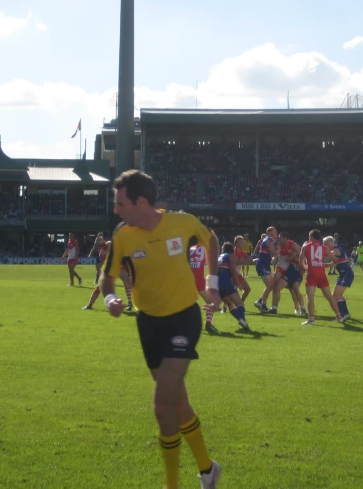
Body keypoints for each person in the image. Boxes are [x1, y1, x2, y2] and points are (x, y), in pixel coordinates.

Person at [100, 170, 222, 489]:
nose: (117, 210)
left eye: (121, 203)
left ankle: (172, 485)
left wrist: (212, 285)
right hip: (148, 323)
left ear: (141, 202)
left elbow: (211, 239)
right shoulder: (123, 235)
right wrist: (110, 297)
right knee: (177, 404)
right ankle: (208, 470)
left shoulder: (182, 222)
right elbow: (107, 277)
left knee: (161, 404)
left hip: (183, 318)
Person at [299, 229, 343, 326]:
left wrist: (306, 267)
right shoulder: (324, 248)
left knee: (310, 297)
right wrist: (326, 264)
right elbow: (335, 260)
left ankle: (311, 319)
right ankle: (339, 316)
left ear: (311, 237)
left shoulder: (306, 246)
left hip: (312, 275)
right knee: (329, 297)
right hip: (321, 275)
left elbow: (301, 261)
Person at [83, 241, 133, 311]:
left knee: (127, 281)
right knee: (99, 287)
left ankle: (130, 303)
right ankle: (90, 305)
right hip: (110, 269)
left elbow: (112, 246)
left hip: (119, 266)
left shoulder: (108, 244)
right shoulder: (101, 255)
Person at [216, 242, 251, 332]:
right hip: (224, 281)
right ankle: (242, 320)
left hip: (216, 282)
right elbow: (233, 270)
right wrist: (237, 282)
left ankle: (243, 323)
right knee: (239, 303)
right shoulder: (231, 256)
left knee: (229, 304)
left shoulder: (219, 257)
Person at [267, 232, 302, 314]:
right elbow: (277, 254)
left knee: (292, 289)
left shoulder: (292, 244)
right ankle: (274, 307)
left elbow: (300, 251)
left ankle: (297, 307)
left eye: (280, 237)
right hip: (282, 264)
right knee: (275, 286)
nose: (279, 239)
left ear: (286, 238)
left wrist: (294, 254)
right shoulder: (278, 245)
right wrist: (276, 255)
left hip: (291, 266)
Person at [189, 243, 219, 334]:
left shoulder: (190, 248)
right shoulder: (205, 248)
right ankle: (208, 324)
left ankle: (187, 324)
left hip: (187, 278)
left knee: (186, 303)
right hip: (198, 279)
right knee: (211, 302)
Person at [325, 236, 353, 320]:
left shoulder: (335, 250)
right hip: (343, 274)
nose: (323, 246)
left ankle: (342, 314)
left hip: (346, 274)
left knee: (335, 295)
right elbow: (332, 263)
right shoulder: (336, 250)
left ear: (329, 244)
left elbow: (329, 254)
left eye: (324, 244)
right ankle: (346, 314)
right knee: (338, 295)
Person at [253, 226, 278, 313]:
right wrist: (279, 249)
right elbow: (273, 253)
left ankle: (260, 301)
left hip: (265, 264)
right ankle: (262, 305)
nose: (276, 233)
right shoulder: (269, 241)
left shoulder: (268, 240)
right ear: (270, 233)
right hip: (263, 264)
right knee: (269, 285)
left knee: (272, 284)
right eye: (275, 232)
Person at [232, 236, 252, 303]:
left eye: (243, 242)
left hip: (237, 273)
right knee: (246, 289)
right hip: (233, 274)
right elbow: (235, 263)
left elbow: (249, 259)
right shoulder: (234, 251)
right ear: (237, 243)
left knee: (246, 289)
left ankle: (240, 303)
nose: (243, 243)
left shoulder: (242, 252)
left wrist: (246, 260)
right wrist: (244, 261)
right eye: (241, 242)